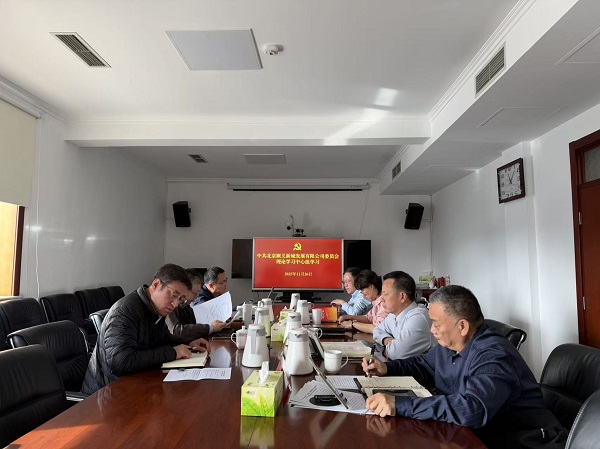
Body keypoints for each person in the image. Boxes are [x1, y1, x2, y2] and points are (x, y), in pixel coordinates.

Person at [362, 285, 567, 449]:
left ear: (462, 326)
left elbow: (473, 408)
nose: (432, 330)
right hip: (470, 433)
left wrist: (400, 405)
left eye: (436, 323)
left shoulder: (493, 354)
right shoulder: (451, 345)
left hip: (517, 440)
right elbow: (423, 365)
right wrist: (387, 368)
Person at [82, 263, 210, 394]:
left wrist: (189, 343)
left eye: (181, 299)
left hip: (134, 385)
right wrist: (173, 352)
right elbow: (121, 362)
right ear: (156, 284)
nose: (176, 303)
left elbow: (164, 338)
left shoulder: (154, 308)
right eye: (174, 294)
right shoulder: (125, 311)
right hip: (105, 393)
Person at [372, 271, 435, 360]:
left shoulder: (418, 318)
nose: (381, 299)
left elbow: (396, 354)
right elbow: (377, 330)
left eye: (385, 294)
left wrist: (385, 351)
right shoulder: (394, 315)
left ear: (402, 297)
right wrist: (386, 339)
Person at [166, 268, 226, 339]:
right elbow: (177, 331)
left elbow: (195, 325)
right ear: (184, 290)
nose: (197, 296)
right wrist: (210, 328)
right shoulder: (170, 305)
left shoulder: (187, 307)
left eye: (198, 293)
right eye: (194, 293)